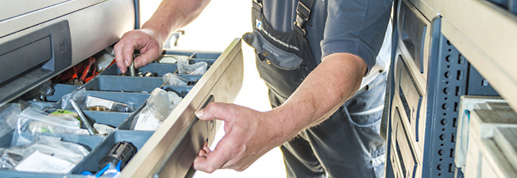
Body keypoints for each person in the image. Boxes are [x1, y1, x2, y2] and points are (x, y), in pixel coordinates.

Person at [114, 0, 392, 177]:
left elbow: (347, 63)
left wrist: (272, 127)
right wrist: (156, 29)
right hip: (285, 91)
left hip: (344, 109)